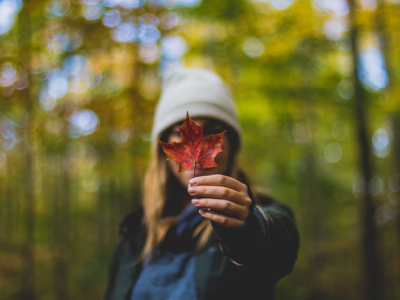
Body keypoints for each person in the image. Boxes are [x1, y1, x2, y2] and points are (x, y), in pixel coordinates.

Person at [102, 67, 300, 300]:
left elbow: (278, 244)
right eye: (179, 132)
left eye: (213, 131)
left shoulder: (253, 213)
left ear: (232, 146)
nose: (196, 146)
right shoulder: (135, 235)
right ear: (163, 149)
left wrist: (249, 226)